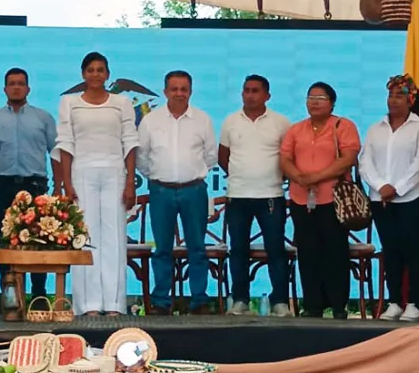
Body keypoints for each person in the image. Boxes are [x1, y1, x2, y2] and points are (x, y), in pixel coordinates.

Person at [56, 52, 139, 316]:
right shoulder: (69, 103)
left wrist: (130, 183)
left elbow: (130, 142)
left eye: (100, 70)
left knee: (114, 238)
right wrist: (66, 183)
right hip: (82, 174)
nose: (95, 74)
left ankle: (114, 304)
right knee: (85, 238)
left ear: (108, 74)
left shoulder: (121, 102)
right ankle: (88, 305)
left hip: (115, 173)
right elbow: (66, 143)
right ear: (83, 74)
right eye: (90, 70)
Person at [138, 70, 217, 315]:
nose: (179, 93)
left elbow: (211, 155)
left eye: (184, 89)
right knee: (162, 248)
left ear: (190, 91)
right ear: (165, 92)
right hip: (161, 191)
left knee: (197, 247)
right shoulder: (151, 121)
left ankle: (199, 300)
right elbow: (142, 157)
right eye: (174, 89)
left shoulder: (202, 119)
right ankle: (161, 302)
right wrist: (159, 177)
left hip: (194, 190)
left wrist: (189, 172)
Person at [279, 82, 361, 319]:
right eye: (311, 97)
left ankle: (338, 305)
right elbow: (285, 158)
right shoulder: (296, 130)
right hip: (301, 199)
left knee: (334, 252)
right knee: (307, 251)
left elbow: (348, 158)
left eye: (321, 97)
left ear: (332, 103)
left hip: (334, 199)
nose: (314, 101)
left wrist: (316, 177)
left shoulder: (343, 126)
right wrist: (299, 177)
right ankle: (312, 305)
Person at [360, 75, 419, 322]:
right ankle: (393, 302)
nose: (393, 100)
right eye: (390, 95)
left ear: (411, 100)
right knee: (390, 250)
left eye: (399, 95)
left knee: (412, 249)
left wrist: (397, 188)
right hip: (380, 198)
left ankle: (414, 302)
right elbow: (365, 162)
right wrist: (381, 186)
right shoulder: (375, 129)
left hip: (413, 196)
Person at [220, 75, 293, 317]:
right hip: (238, 196)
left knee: (276, 249)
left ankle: (280, 301)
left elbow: (288, 157)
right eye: (246, 91)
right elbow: (223, 157)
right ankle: (240, 300)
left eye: (255, 91)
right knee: (238, 249)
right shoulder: (231, 122)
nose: (250, 95)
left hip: (271, 195)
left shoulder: (281, 123)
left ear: (267, 96)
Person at [0, 68, 58, 302]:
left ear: (28, 89)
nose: (16, 87)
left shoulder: (43, 117)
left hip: (35, 185)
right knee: (5, 239)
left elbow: (54, 151)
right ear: (5, 89)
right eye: (11, 84)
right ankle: (10, 297)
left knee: (39, 238)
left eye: (21, 83)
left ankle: (39, 296)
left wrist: (58, 187)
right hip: (3, 184)